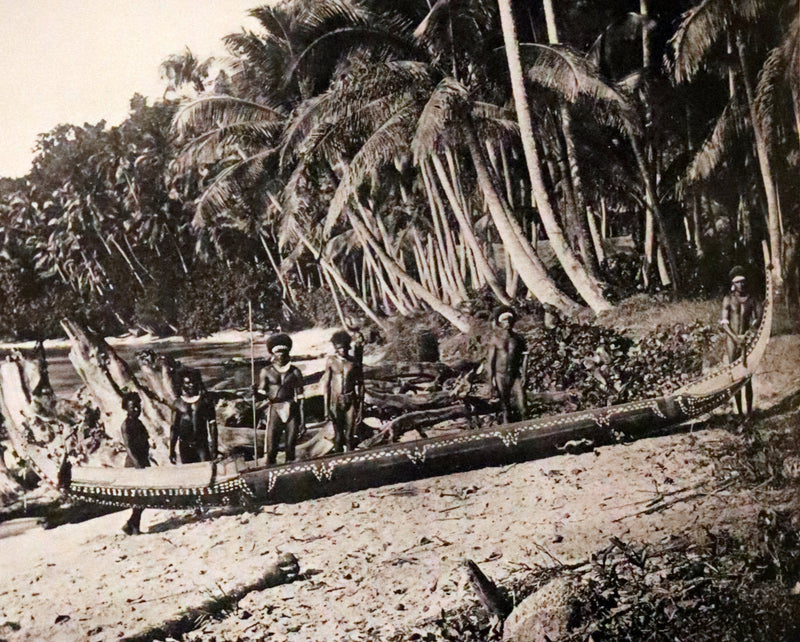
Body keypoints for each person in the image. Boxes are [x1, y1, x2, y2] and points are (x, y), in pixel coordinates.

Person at [256, 333, 305, 465]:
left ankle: (290, 469)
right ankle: (270, 469)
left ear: (288, 354)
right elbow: (261, 395)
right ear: (273, 355)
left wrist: (302, 421)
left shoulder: (295, 372)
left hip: (291, 408)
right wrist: (254, 392)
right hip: (274, 408)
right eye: (278, 353)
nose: (281, 356)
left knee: (291, 445)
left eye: (284, 353)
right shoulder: (266, 371)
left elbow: (301, 398)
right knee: (271, 447)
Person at [720, 266, 761, 417]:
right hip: (732, 341)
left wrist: (748, 334)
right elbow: (724, 323)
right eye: (738, 282)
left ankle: (749, 412)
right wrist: (735, 338)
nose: (741, 285)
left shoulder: (752, 299)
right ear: (733, 284)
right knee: (736, 377)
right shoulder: (728, 299)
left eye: (743, 281)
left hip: (746, 340)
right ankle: (739, 413)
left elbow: (757, 319)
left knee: (747, 377)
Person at [322, 330, 364, 453]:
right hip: (335, 400)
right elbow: (326, 385)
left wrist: (360, 408)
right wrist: (326, 408)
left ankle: (351, 459)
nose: (343, 350)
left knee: (349, 436)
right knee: (338, 436)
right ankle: (338, 459)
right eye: (340, 348)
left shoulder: (354, 362)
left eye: (345, 347)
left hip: (350, 399)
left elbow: (361, 384)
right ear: (336, 348)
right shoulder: (331, 361)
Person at [487, 305, 528, 423]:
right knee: (505, 408)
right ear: (499, 323)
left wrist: (524, 374)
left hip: (515, 375)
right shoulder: (495, 339)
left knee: (523, 406)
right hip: (500, 376)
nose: (507, 323)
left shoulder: (518, 338)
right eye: (504, 320)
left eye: (509, 320)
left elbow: (525, 356)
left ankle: (527, 429)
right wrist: (491, 382)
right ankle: (507, 430)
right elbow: (490, 362)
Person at [169, 369, 218, 464]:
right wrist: (172, 450)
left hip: (202, 444)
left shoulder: (205, 401)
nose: (191, 385)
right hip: (185, 445)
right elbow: (174, 428)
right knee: (189, 470)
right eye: (188, 383)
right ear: (182, 384)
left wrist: (214, 447)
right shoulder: (177, 404)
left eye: (193, 382)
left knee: (205, 468)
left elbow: (212, 425)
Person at [120, 392, 149, 535]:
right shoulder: (126, 425)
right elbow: (128, 447)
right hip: (134, 463)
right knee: (139, 497)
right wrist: (137, 464)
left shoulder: (139, 423)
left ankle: (131, 524)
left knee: (144, 497)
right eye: (133, 407)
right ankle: (133, 526)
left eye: (138, 406)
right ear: (126, 408)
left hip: (143, 461)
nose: (137, 409)